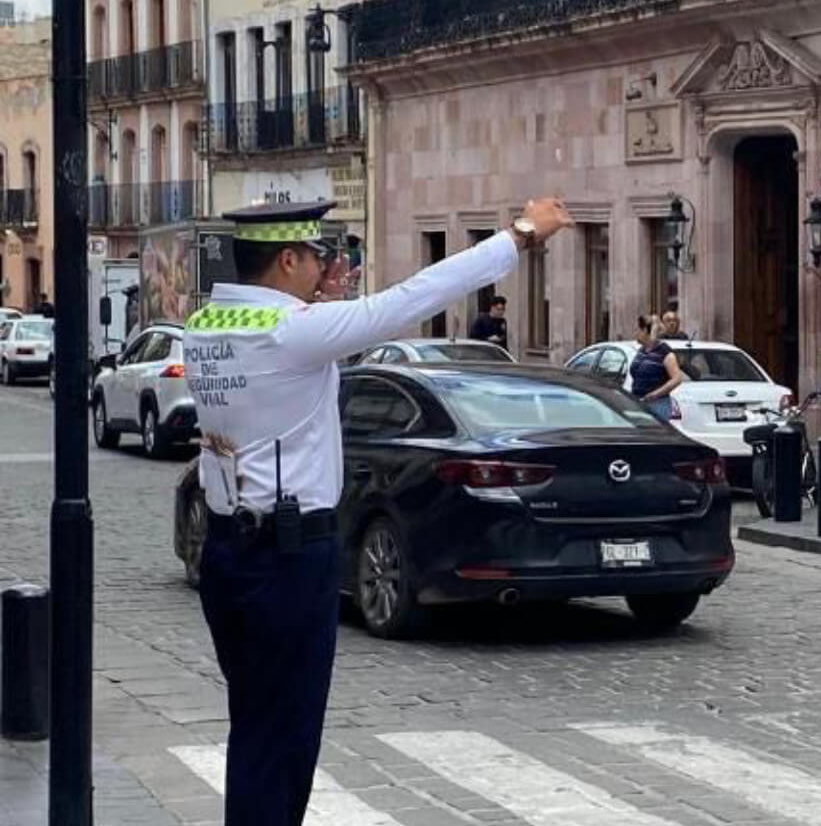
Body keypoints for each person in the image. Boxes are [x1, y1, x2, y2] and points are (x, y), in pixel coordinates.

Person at [183, 197, 571, 825]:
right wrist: (519, 236)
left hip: (230, 548)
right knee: (286, 735)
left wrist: (323, 300)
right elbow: (412, 298)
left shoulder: (206, 325)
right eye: (315, 258)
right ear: (287, 259)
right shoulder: (291, 332)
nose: (322, 269)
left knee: (255, 726)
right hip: (288, 555)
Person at [630, 314, 685, 420]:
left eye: (637, 330)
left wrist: (655, 394)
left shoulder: (664, 351)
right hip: (639, 403)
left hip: (657, 405)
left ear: (645, 331)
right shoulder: (642, 350)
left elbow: (677, 378)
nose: (635, 334)